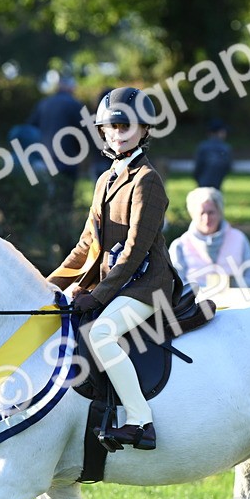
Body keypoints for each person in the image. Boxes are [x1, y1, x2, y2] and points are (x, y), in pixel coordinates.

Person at [47, 87, 175, 451]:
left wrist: (98, 296)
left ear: (144, 129)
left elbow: (134, 252)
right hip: (118, 284)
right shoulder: (106, 179)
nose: (117, 133)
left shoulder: (147, 180)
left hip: (145, 285)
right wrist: (46, 287)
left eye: (125, 126)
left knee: (100, 335)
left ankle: (140, 421)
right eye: (110, 127)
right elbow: (86, 246)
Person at [170, 187, 250, 293]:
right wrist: (205, 289)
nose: (207, 218)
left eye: (211, 212)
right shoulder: (180, 245)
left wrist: (232, 284)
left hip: (238, 303)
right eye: (202, 213)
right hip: (196, 306)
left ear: (220, 213)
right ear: (192, 214)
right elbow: (175, 285)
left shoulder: (239, 238)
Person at [26, 74, 86, 213]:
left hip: (43, 160)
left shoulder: (44, 103)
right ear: (71, 87)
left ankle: (45, 227)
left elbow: (29, 128)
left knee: (45, 199)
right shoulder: (75, 105)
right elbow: (85, 133)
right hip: (67, 160)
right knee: (65, 201)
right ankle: (61, 228)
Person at [192, 119, 233, 189]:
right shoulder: (226, 148)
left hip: (202, 183)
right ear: (219, 132)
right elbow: (228, 166)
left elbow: (198, 167)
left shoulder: (202, 146)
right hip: (218, 184)